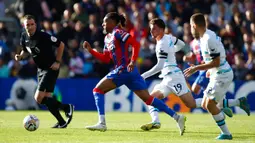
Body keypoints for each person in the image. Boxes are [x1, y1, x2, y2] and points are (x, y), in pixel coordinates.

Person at [83, 12, 186, 135]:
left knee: (97, 90)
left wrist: (132, 61)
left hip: (123, 70)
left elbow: (135, 44)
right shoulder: (107, 38)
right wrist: (91, 51)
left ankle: (102, 123)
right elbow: (106, 58)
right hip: (130, 73)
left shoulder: (118, 32)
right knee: (148, 99)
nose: (103, 24)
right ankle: (177, 117)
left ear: (113, 23)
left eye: (105, 22)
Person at [184, 13, 247, 140]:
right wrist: (208, 69)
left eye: (191, 26)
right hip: (216, 73)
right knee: (205, 104)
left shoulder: (208, 39)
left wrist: (196, 68)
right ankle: (228, 107)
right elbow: (212, 60)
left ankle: (226, 133)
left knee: (210, 105)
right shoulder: (205, 37)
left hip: (222, 74)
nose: (190, 29)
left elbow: (216, 62)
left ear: (195, 26)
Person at [15, 15, 74, 128]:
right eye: (28, 24)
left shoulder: (42, 35)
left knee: (38, 98)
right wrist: (20, 57)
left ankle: (66, 107)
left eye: (32, 24)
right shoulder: (23, 36)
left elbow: (61, 45)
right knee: (46, 99)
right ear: (24, 25)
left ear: (35, 25)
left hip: (50, 68)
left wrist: (57, 61)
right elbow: (25, 49)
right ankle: (62, 122)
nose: (30, 27)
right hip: (40, 69)